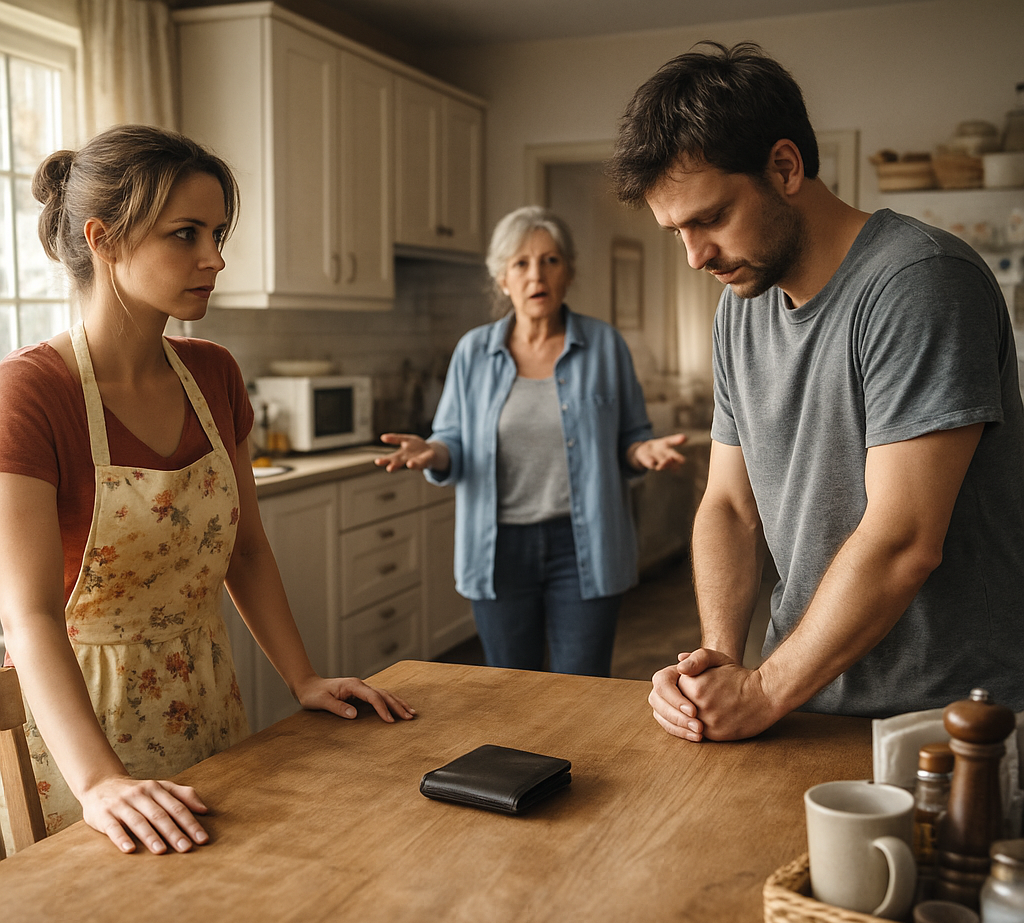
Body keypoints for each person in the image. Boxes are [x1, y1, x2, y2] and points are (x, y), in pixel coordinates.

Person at [0, 125, 414, 854]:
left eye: (217, 231)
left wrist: (304, 678)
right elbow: (27, 613)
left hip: (208, 698)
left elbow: (245, 552)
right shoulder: (30, 392)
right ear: (103, 239)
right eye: (185, 234)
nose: (214, 258)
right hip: (80, 735)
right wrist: (100, 783)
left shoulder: (215, 375)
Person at [607, 42, 1024, 741]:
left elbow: (904, 539)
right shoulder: (740, 308)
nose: (694, 256)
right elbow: (730, 506)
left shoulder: (918, 282)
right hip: (807, 700)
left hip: (950, 717)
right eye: (676, 231)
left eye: (709, 218)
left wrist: (763, 690)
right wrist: (719, 659)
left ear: (785, 166)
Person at [375, 206, 686, 676]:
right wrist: (432, 451)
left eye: (550, 260)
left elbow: (631, 436)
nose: (535, 274)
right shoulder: (473, 352)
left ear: (569, 272)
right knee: (509, 687)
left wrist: (643, 451)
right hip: (498, 546)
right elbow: (452, 440)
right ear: (502, 279)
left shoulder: (605, 346)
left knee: (582, 686)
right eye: (520, 263)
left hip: (585, 543)